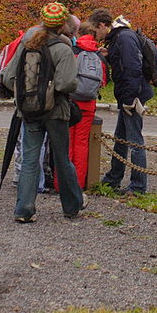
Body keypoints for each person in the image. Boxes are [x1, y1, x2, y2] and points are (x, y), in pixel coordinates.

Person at [2, 1, 87, 222]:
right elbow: (66, 84)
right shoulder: (63, 49)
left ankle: (24, 210)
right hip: (56, 112)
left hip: (28, 111)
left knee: (30, 159)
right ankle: (72, 206)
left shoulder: (25, 45)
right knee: (61, 158)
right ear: (62, 25)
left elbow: (9, 79)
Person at [88, 9, 154, 195]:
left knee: (134, 141)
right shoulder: (120, 37)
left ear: (102, 25)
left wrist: (130, 99)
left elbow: (132, 68)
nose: (96, 34)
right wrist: (110, 54)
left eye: (96, 30)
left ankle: (138, 186)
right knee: (121, 139)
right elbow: (125, 62)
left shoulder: (124, 38)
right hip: (128, 94)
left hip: (132, 96)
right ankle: (113, 179)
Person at [58, 22, 107, 190]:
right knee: (82, 144)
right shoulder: (99, 56)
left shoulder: (73, 52)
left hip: (70, 103)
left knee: (66, 143)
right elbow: (103, 82)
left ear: (78, 34)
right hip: (89, 105)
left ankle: (62, 184)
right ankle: (78, 184)